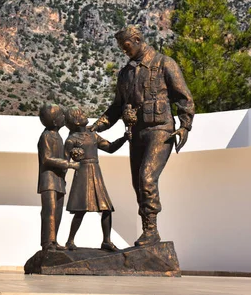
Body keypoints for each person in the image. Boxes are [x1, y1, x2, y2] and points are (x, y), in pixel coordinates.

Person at [90, 26, 195, 247]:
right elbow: (116, 108)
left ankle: (151, 231)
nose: (123, 51)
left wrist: (185, 125)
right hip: (135, 134)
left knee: (147, 178)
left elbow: (184, 98)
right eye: (120, 47)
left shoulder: (165, 63)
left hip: (160, 130)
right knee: (138, 184)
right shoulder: (125, 73)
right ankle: (149, 231)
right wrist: (97, 126)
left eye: (126, 46)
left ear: (137, 40)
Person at [63, 107, 127, 252]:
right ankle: (70, 240)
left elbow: (110, 148)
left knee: (106, 208)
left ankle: (106, 241)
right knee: (81, 209)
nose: (85, 115)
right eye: (81, 114)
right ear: (75, 121)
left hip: (95, 172)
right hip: (83, 173)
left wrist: (124, 138)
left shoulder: (92, 135)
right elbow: (65, 162)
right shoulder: (71, 140)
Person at [37, 103, 79, 251]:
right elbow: (47, 159)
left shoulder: (58, 136)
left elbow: (63, 156)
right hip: (48, 180)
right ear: (55, 121)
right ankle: (47, 242)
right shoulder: (46, 136)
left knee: (58, 211)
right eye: (62, 116)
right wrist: (69, 165)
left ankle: (53, 241)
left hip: (59, 180)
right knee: (50, 211)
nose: (64, 118)